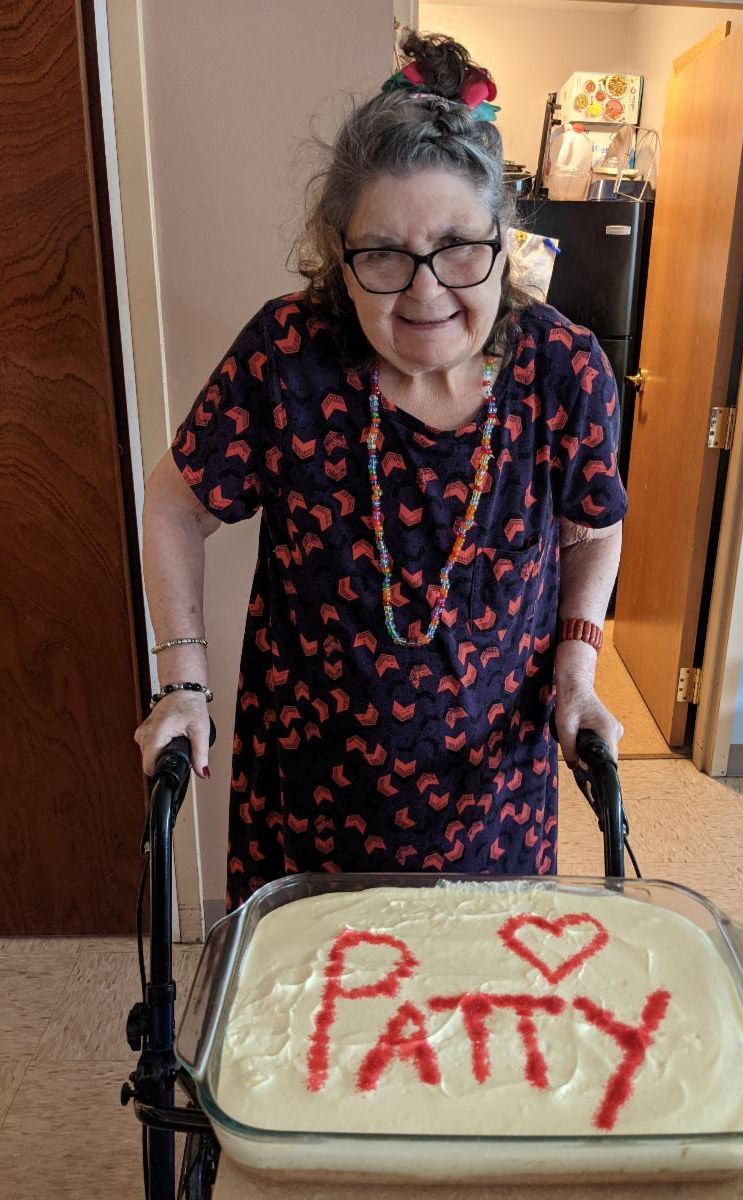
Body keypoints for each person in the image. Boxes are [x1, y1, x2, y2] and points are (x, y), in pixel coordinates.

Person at [134, 32, 626, 911]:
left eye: (459, 246)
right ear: (341, 256)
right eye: (385, 254)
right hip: (308, 797)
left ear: (502, 239)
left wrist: (578, 670)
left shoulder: (565, 370)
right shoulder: (286, 355)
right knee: (310, 988)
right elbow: (175, 504)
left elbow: (594, 527)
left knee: (477, 984)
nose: (426, 291)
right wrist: (183, 684)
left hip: (495, 798)